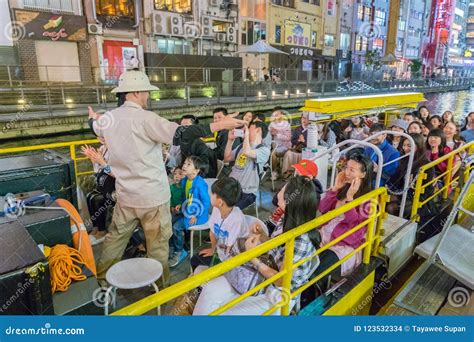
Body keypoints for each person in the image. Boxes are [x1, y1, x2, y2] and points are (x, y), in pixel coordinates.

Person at [90, 70, 245, 285]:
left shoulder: (108, 119)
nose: (148, 96)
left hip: (125, 197)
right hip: (153, 198)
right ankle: (161, 290)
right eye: (146, 92)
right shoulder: (146, 119)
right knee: (158, 247)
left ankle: (103, 284)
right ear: (136, 92)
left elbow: (93, 126)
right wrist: (219, 125)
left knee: (114, 240)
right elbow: (181, 133)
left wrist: (93, 117)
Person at [193, 176, 319, 315]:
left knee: (225, 312)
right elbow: (276, 248)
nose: (280, 190)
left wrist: (253, 258)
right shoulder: (287, 218)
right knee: (209, 291)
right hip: (260, 273)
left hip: (276, 292)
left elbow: (282, 281)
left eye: (284, 189)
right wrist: (263, 236)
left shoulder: (300, 241)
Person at [311, 153, 374, 283]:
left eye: (352, 170)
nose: (346, 172)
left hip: (344, 244)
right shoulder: (343, 188)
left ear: (363, 174)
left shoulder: (369, 200)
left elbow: (356, 228)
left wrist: (350, 199)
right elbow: (323, 208)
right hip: (325, 234)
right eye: (346, 168)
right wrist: (334, 188)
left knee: (317, 271)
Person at [190, 177, 248, 271]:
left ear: (220, 202)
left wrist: (216, 264)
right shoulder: (216, 209)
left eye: (213, 194)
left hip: (234, 256)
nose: (210, 195)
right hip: (221, 250)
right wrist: (213, 250)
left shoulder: (237, 220)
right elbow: (212, 233)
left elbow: (229, 249)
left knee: (203, 269)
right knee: (195, 260)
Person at [170, 156, 211, 267]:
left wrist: (196, 216)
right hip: (187, 210)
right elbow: (186, 197)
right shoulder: (185, 181)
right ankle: (174, 245)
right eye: (184, 163)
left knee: (176, 227)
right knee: (170, 220)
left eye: (188, 164)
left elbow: (206, 202)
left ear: (196, 171)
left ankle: (180, 251)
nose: (184, 166)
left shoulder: (199, 184)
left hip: (198, 216)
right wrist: (180, 204)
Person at [225, 121, 271, 210]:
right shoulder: (242, 146)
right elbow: (227, 157)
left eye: (249, 128)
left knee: (229, 210)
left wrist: (246, 136)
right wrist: (230, 140)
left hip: (246, 192)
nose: (246, 131)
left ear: (258, 130)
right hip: (231, 187)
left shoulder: (264, 150)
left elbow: (247, 152)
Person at [386, 134, 434, 217]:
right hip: (402, 192)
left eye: (409, 145)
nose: (405, 148)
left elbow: (427, 190)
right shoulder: (404, 159)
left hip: (416, 198)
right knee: (380, 200)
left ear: (419, 146)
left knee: (390, 207)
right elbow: (394, 179)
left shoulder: (426, 165)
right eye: (404, 145)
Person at [269, 107, 292, 180]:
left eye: (277, 114)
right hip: (275, 146)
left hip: (285, 147)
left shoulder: (286, 124)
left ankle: (275, 171)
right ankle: (275, 170)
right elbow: (268, 137)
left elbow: (288, 138)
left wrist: (277, 134)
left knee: (272, 154)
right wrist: (271, 134)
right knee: (271, 153)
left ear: (282, 114)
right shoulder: (271, 124)